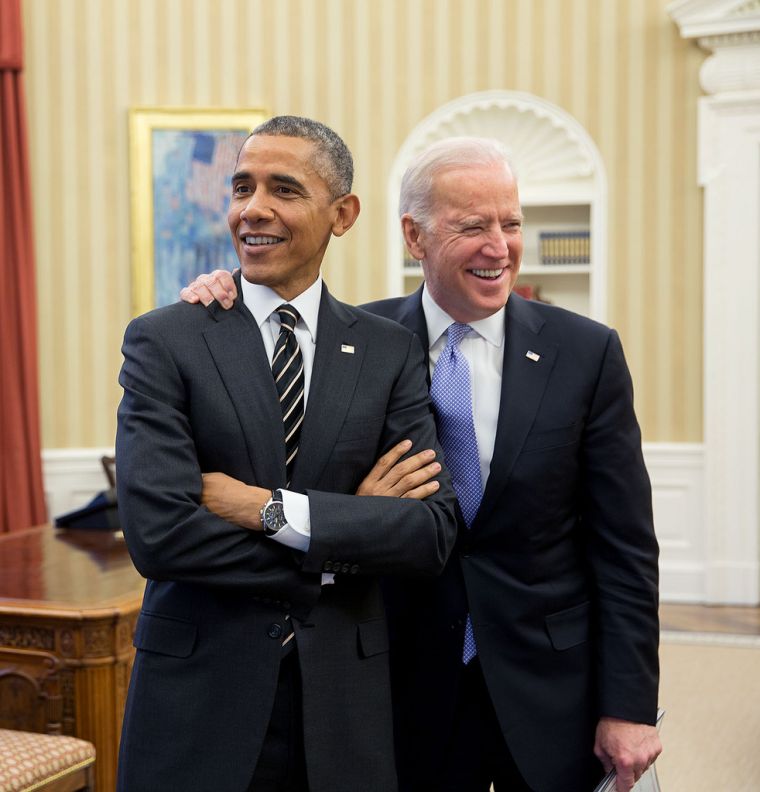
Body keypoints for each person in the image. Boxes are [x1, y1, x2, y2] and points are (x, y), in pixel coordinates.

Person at [182, 136, 662, 792]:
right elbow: (294, 471)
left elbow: (625, 549)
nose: (500, 246)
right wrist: (225, 299)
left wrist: (629, 706)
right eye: (473, 226)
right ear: (415, 236)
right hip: (397, 682)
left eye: (511, 223)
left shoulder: (587, 353)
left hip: (549, 683)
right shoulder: (353, 341)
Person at [115, 115, 458, 792]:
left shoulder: (388, 351)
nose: (253, 209)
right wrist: (342, 537)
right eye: (242, 187)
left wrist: (264, 509)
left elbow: (428, 532)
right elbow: (159, 537)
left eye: (284, 189)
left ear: (343, 213)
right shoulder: (167, 340)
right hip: (198, 698)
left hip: (344, 703)